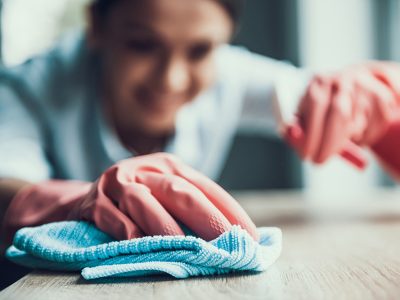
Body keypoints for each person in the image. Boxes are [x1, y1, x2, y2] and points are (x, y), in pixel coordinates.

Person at [0, 0, 399, 254]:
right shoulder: (29, 87)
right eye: (142, 45)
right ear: (97, 27)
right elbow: (5, 185)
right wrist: (82, 201)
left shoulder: (229, 73)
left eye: (201, 50)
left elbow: (331, 103)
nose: (171, 79)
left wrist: (378, 111)